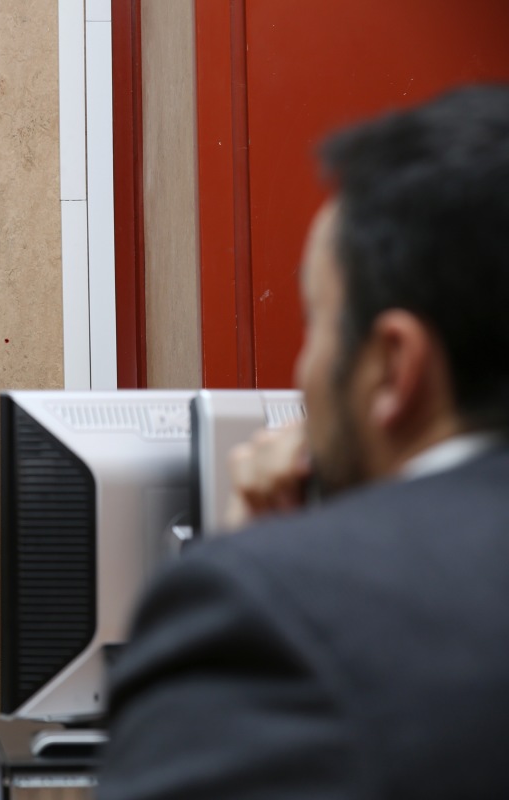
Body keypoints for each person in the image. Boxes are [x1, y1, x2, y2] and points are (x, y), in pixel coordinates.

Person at [98, 85, 509, 798]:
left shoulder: (272, 610)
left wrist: (263, 559)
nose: (302, 370)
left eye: (315, 322)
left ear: (392, 368)